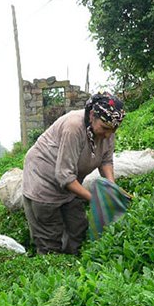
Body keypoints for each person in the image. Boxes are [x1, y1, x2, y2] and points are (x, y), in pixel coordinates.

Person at [22, 92, 125, 255]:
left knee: (78, 228)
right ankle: (53, 271)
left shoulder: (108, 129)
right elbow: (64, 176)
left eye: (112, 131)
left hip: (70, 184)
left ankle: (75, 269)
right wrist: (97, 199)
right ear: (92, 115)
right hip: (43, 182)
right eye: (105, 129)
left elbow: (106, 160)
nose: (107, 135)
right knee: (50, 239)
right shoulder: (74, 127)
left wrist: (111, 188)